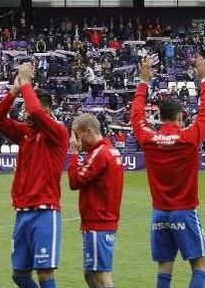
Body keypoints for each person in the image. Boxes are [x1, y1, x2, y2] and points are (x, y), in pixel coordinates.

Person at [132, 55, 205, 288]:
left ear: (159, 118)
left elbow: (136, 117)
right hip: (184, 211)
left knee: (164, 268)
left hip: (159, 213)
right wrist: (204, 80)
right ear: (180, 117)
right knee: (200, 266)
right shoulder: (188, 138)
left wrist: (143, 82)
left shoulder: (149, 139)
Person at [0, 62, 68, 288]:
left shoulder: (57, 132)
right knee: (20, 275)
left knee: (45, 275)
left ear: (47, 110)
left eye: (27, 108)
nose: (25, 113)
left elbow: (34, 110)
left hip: (45, 211)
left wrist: (26, 83)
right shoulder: (26, 132)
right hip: (22, 212)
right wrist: (14, 91)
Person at [68, 113, 124, 288]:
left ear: (88, 131)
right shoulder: (110, 150)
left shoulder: (99, 153)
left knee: (100, 275)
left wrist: (74, 154)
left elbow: (74, 181)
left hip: (98, 222)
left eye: (77, 135)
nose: (75, 140)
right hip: (105, 220)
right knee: (91, 274)